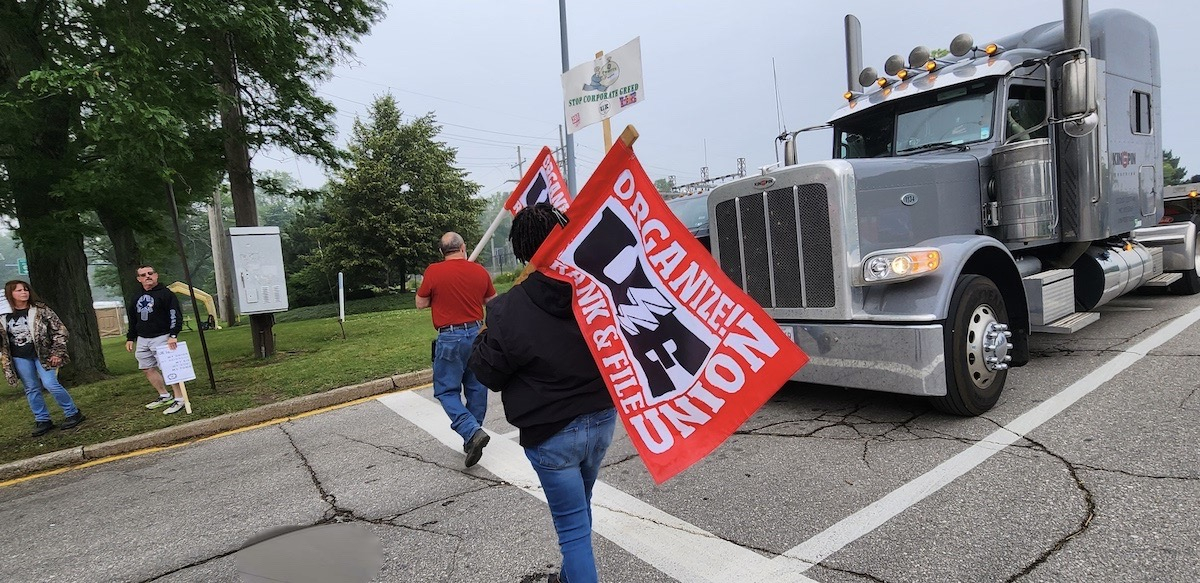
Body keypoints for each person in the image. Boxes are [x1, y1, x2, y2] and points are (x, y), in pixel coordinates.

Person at [469, 204, 616, 583]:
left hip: (551, 433)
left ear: (520, 251)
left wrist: (484, 334)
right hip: (600, 419)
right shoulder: (596, 288)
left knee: (573, 531)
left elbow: (490, 372)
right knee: (580, 515)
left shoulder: (506, 308)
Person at [416, 232, 496, 467]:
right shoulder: (479, 271)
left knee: (446, 391)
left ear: (442, 252)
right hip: (476, 334)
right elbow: (491, 301)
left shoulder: (433, 271)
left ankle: (471, 431)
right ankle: (472, 437)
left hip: (450, 337)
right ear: (463, 247)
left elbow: (420, 303)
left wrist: (438, 298)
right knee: (476, 388)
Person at [1, 280, 85, 437]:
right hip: (19, 356)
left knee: (50, 383)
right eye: (18, 290)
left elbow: (60, 330)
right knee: (31, 388)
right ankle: (42, 419)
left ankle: (72, 412)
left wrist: (57, 352)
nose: (23, 293)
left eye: (25, 289)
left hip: (44, 354)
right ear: (10, 294)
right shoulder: (3, 316)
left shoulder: (40, 310)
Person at [124, 264, 186, 415]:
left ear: (156, 275)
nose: (147, 277)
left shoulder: (166, 294)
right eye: (143, 275)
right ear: (139, 279)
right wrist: (130, 337)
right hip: (143, 338)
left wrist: (173, 335)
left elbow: (175, 315)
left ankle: (180, 399)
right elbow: (133, 318)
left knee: (169, 368)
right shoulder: (136, 296)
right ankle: (164, 395)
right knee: (147, 367)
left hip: (162, 337)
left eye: (150, 273)